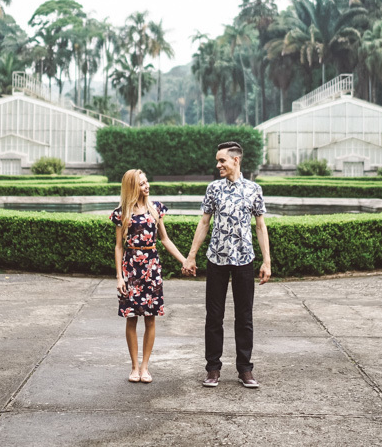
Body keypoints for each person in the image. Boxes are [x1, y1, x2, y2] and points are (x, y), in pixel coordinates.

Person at [183, 141, 271, 389]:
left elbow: (261, 226)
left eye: (221, 160)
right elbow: (204, 223)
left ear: (236, 160)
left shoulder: (254, 189)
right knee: (214, 316)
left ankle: (245, 369)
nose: (218, 164)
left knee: (244, 317)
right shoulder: (213, 189)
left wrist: (266, 261)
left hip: (244, 259)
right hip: (216, 260)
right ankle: (213, 369)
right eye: (217, 160)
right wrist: (191, 256)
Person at [112, 168, 186, 383]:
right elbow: (118, 247)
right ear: (133, 187)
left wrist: (184, 260)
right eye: (142, 183)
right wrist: (119, 276)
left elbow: (165, 239)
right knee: (131, 318)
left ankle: (145, 367)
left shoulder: (156, 209)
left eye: (146, 182)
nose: (147, 186)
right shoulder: (121, 213)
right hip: (131, 268)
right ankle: (134, 367)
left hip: (152, 268)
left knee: (151, 319)